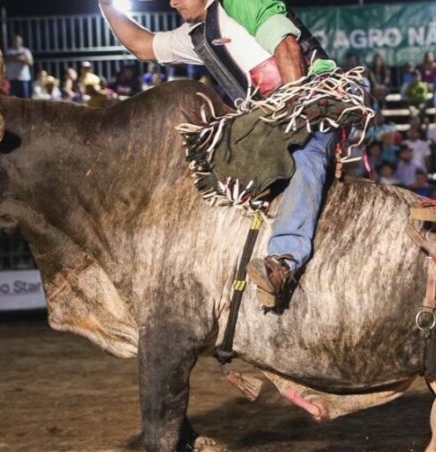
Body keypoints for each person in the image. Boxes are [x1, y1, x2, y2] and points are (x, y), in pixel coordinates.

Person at [100, 0, 336, 308]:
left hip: (316, 101)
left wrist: (295, 120)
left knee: (305, 157)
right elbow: (143, 46)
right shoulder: (198, 34)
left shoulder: (241, 3)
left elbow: (287, 46)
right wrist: (105, 4)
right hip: (269, 119)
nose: (173, 2)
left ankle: (285, 261)